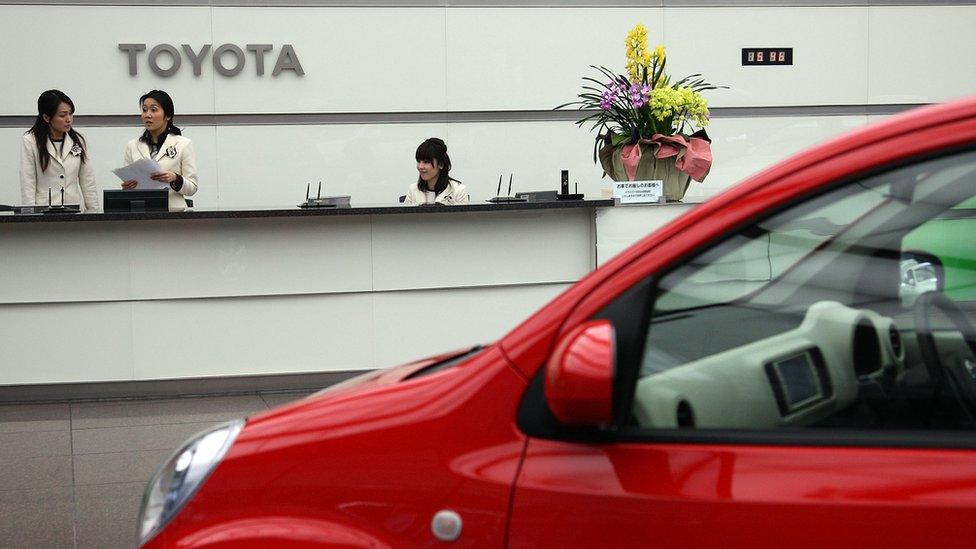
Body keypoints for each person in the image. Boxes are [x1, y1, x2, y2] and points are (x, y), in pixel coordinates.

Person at [20, 90, 99, 211]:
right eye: (62, 115)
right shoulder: (31, 141)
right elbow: (28, 181)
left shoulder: (78, 140)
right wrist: (29, 214)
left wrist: (94, 211)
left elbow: (88, 181)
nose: (69, 119)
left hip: (75, 210)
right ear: (46, 117)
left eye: (71, 114)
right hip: (44, 211)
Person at [122, 90, 197, 210]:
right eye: (144, 110)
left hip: (174, 213)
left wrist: (175, 178)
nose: (147, 115)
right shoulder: (132, 145)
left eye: (153, 110)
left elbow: (192, 187)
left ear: (167, 115)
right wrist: (127, 188)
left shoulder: (183, 144)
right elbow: (127, 185)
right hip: (140, 213)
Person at [404, 137, 468, 205]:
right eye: (419, 161)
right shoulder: (413, 189)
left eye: (426, 162)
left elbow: (462, 215)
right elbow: (404, 215)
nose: (420, 167)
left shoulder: (458, 190)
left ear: (441, 164)